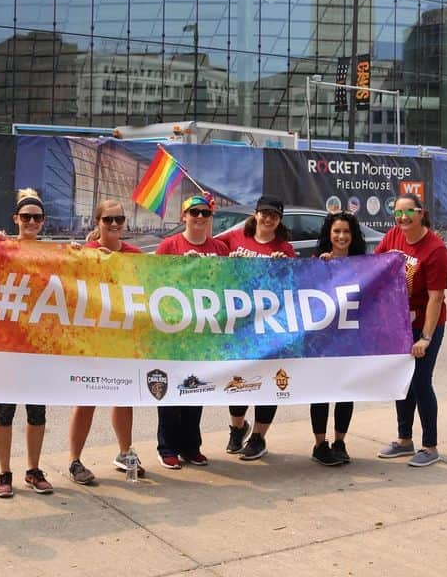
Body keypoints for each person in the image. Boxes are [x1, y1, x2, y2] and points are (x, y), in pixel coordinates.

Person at [67, 199, 145, 484]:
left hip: (123, 339)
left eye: (119, 220)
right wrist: (82, 258)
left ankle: (125, 453)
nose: (114, 225)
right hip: (91, 339)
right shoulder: (84, 252)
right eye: (108, 220)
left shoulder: (135, 254)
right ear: (97, 223)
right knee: (86, 400)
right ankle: (75, 461)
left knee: (124, 398)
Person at [216, 194, 295, 461]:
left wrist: (283, 267)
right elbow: (207, 255)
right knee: (238, 377)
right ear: (256, 213)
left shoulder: (285, 249)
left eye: (274, 215)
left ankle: (259, 436)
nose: (268, 218)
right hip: (239, 324)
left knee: (269, 379)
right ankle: (237, 429)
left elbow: (295, 285)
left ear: (279, 219)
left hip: (271, 326)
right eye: (264, 213)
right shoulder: (235, 238)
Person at [154, 193, 229, 469]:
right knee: (171, 389)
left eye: (204, 213)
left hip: (204, 331)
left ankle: (191, 446)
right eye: (193, 212)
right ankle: (167, 447)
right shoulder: (168, 245)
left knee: (196, 389)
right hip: (173, 330)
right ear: (183, 216)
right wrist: (180, 269)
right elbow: (154, 281)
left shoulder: (220, 248)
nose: (199, 217)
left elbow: (229, 282)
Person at [375, 193, 447, 467]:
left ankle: (430, 446)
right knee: (403, 383)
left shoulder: (435, 249)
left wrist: (426, 338)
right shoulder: (394, 235)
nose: (403, 218)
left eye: (409, 212)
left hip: (426, 325)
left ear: (421, 213)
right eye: (398, 213)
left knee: (420, 383)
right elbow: (374, 265)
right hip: (400, 322)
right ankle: (405, 440)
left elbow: (436, 297)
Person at [0, 188, 54, 497]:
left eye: (36, 217)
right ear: (16, 218)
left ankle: (33, 469)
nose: (31, 221)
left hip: (39, 346)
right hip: (7, 345)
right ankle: (4, 473)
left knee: (37, 412)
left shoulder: (55, 255)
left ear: (43, 222)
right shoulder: (3, 248)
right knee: (4, 412)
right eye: (26, 216)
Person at [309, 211, 368, 466]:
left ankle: (340, 442)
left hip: (349, 340)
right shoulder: (317, 262)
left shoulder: (364, 266)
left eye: (346, 232)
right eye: (336, 232)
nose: (341, 236)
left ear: (352, 236)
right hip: (322, 341)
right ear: (329, 235)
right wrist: (321, 268)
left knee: (345, 391)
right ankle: (320, 444)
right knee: (320, 391)